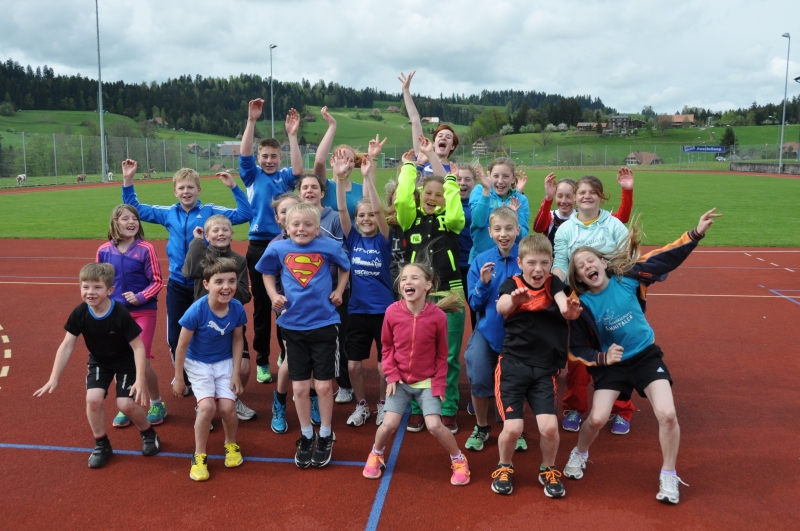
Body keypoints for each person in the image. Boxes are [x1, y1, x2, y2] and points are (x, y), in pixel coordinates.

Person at [563, 209, 721, 505]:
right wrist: (602, 357)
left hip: (646, 357)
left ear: (603, 263)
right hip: (613, 365)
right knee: (596, 419)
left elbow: (664, 258)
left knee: (667, 414)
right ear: (579, 277)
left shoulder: (628, 277)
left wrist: (695, 234)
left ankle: (669, 474)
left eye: (590, 261)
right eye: (581, 267)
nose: (587, 267)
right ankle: (580, 452)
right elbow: (575, 350)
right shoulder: (580, 305)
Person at [121, 160, 252, 394]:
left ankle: (216, 377)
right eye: (181, 188)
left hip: (204, 285)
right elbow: (135, 209)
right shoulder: (168, 213)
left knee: (210, 331)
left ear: (199, 190)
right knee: (175, 335)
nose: (186, 191)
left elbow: (245, 214)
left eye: (190, 187)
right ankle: (184, 376)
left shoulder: (210, 211)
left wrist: (233, 187)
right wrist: (128, 180)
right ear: (175, 192)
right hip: (178, 284)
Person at [34, 263, 160, 468]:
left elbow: (138, 347)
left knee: (125, 405)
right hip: (100, 362)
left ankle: (148, 432)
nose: (90, 292)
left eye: (97, 287)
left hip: (125, 363)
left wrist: (139, 378)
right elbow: (67, 345)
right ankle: (102, 444)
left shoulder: (120, 313)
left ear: (110, 290)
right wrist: (53, 377)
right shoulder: (80, 313)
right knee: (93, 400)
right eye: (85, 287)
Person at [257, 202, 351, 469]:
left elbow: (345, 267)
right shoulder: (278, 248)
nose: (301, 229)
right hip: (293, 326)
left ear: (317, 228)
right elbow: (266, 272)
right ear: (286, 227)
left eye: (308, 224)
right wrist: (273, 295)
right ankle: (307, 435)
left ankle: (326, 434)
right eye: (295, 224)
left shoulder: (328, 246)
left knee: (323, 386)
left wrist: (339, 290)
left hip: (324, 324)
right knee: (299, 387)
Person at [362, 262, 470, 486]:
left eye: (414, 278)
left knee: (434, 425)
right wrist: (392, 375)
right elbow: (386, 347)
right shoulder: (392, 312)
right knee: (389, 424)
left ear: (427, 285)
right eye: (403, 279)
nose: (407, 282)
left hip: (427, 382)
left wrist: (438, 384)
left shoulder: (438, 316)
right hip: (399, 382)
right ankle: (376, 453)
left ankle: (458, 459)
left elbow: (442, 355)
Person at [491, 234, 582, 498]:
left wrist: (568, 312)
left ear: (551, 262)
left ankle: (548, 469)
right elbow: (501, 306)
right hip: (513, 366)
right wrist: (515, 301)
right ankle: (504, 466)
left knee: (550, 428)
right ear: (520, 263)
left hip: (544, 370)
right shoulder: (513, 284)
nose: (538, 269)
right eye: (531, 263)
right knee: (513, 429)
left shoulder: (555, 284)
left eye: (544, 262)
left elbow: (563, 303)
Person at [549, 174, 635, 435]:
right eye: (582, 192)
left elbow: (629, 257)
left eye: (593, 192)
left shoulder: (613, 224)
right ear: (575, 198)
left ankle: (621, 409)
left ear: (601, 196)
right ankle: (575, 407)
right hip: (580, 300)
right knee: (578, 357)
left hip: (611, 299)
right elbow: (560, 263)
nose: (587, 196)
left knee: (617, 352)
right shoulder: (566, 229)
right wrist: (556, 287)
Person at [395, 140, 466, 434]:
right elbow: (402, 202)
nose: (433, 198)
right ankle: (417, 408)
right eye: (428, 193)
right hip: (417, 298)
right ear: (420, 195)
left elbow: (456, 214)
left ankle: (447, 408)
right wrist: (409, 168)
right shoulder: (409, 220)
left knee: (448, 356)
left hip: (450, 294)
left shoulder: (451, 223)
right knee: (417, 355)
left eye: (439, 195)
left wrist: (451, 181)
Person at [239, 99, 304, 386]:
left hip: (285, 244)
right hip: (258, 247)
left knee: (286, 300)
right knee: (263, 306)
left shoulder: (285, 178)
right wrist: (251, 121)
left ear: (280, 158)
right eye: (264, 156)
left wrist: (292, 135)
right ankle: (263, 360)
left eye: (273, 156)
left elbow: (299, 170)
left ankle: (285, 353)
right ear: (258, 157)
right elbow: (244, 155)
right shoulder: (251, 175)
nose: (269, 160)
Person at [333, 146, 394, 427]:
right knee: (354, 365)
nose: (367, 218)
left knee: (383, 367)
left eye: (370, 215)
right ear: (356, 220)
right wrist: (338, 178)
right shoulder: (353, 239)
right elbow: (342, 209)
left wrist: (368, 176)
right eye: (362, 216)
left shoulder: (383, 239)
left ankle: (382, 404)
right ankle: (361, 405)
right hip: (357, 311)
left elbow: (379, 209)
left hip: (383, 312)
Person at [172, 256, 248, 481]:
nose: (227, 287)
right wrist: (179, 378)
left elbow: (238, 340)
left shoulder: (236, 308)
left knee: (227, 408)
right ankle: (199, 455)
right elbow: (181, 345)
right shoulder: (197, 310)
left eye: (232, 281)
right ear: (206, 284)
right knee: (206, 408)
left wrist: (236, 373)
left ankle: (231, 444)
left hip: (224, 362)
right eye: (219, 282)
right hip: (198, 364)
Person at [96, 205, 166, 428]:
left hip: (143, 312)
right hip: (116, 315)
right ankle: (126, 404)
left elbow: (157, 281)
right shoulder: (104, 250)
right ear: (115, 223)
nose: (131, 222)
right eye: (125, 218)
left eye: (134, 218)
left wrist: (140, 296)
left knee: (141, 361)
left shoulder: (146, 249)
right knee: (121, 360)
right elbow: (99, 283)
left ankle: (156, 403)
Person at [182, 215, 255, 422]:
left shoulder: (239, 260)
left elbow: (245, 294)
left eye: (225, 230)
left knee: (244, 368)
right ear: (207, 235)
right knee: (206, 369)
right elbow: (189, 271)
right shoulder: (203, 256)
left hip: (231, 320)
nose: (220, 233)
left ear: (232, 234)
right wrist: (197, 242)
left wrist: (226, 288)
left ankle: (232, 398)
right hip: (205, 322)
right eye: (215, 231)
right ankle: (203, 404)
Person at [463, 206, 521, 451]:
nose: (503, 234)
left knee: (515, 381)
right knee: (478, 375)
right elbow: (474, 304)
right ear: (490, 231)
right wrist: (483, 283)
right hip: (488, 331)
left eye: (509, 228)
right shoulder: (481, 261)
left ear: (518, 230)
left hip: (519, 334)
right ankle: (482, 425)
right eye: (497, 229)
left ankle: (513, 427)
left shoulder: (525, 259)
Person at [296, 172, 354, 404]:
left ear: (322, 193)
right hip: (306, 293)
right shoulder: (296, 219)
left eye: (313, 187)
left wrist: (335, 285)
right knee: (307, 339)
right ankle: (311, 389)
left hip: (333, 291)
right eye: (305, 187)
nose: (309, 191)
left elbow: (343, 255)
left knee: (339, 339)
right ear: (299, 193)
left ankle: (345, 384)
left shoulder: (334, 218)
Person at [265, 192, 304, 434]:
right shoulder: (276, 246)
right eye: (284, 212)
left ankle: (312, 398)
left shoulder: (317, 240)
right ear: (279, 219)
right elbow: (269, 276)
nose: (289, 215)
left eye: (294, 210)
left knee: (314, 361)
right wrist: (277, 299)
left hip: (316, 312)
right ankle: (279, 401)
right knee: (291, 358)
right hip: (289, 312)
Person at [533, 168, 633, 248]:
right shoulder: (551, 216)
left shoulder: (585, 216)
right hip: (556, 263)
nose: (563, 201)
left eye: (568, 196)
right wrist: (548, 198)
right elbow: (538, 228)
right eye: (559, 196)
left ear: (575, 197)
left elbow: (622, 217)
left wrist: (627, 190)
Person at [469, 158, 530, 263]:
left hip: (512, 261)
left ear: (513, 179)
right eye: (496, 176)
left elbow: (522, 238)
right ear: (489, 176)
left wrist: (513, 217)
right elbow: (478, 222)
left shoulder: (520, 199)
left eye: (506, 176)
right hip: (482, 259)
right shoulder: (479, 191)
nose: (500, 181)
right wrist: (486, 190)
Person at [399, 71, 460, 176]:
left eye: (448, 137)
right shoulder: (422, 157)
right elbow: (415, 121)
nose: (443, 138)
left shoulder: (453, 171)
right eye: (440, 136)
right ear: (434, 143)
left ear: (452, 146)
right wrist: (406, 91)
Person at [314, 106, 365, 222]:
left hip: (353, 234)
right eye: (340, 158)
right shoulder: (324, 186)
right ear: (332, 162)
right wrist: (332, 126)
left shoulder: (361, 189)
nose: (345, 163)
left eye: (350, 160)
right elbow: (319, 162)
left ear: (354, 165)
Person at [456, 163, 478, 329]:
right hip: (452, 267)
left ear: (474, 182)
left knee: (476, 307)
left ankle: (478, 340)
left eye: (467, 179)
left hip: (473, 265)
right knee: (451, 312)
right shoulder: (446, 201)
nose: (462, 183)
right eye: (458, 179)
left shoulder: (479, 203)